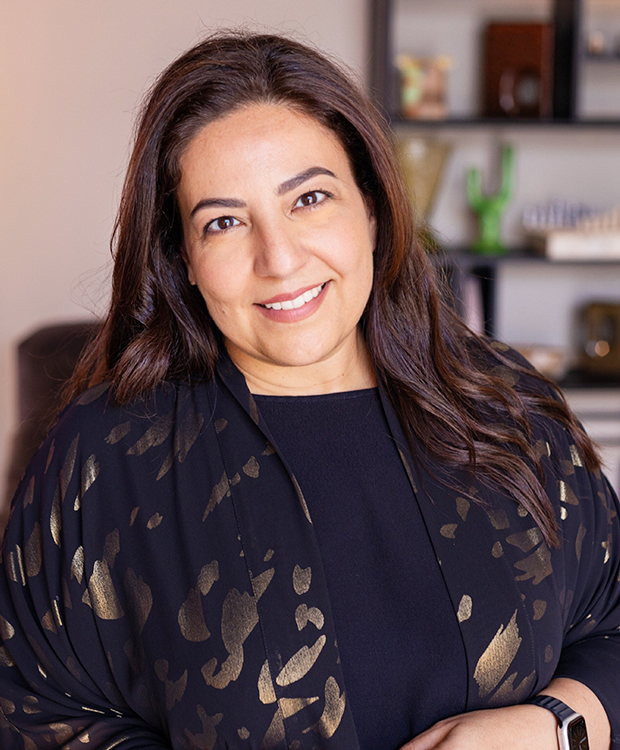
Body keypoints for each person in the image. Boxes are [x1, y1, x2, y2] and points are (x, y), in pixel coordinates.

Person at [0, 32, 618, 750]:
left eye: (310, 198)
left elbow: (611, 622)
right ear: (184, 259)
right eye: (224, 222)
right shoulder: (103, 458)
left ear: (373, 210)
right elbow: (34, 716)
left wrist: (554, 726)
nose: (280, 258)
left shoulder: (505, 405)